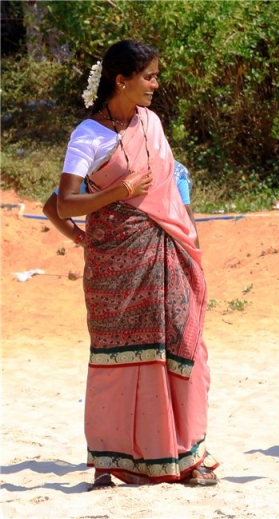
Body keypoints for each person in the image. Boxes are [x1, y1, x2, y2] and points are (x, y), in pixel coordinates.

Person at [56, 40, 217, 490]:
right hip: (115, 266)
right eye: (149, 76)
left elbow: (169, 192)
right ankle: (112, 458)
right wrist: (116, 194)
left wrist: (192, 242)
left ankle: (188, 456)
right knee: (119, 360)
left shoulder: (151, 123)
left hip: (168, 252)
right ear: (121, 80)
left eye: (156, 75)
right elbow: (65, 202)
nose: (156, 85)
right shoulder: (88, 135)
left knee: (184, 347)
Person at [43, 160, 199, 248]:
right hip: (158, 269)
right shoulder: (172, 170)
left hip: (106, 267)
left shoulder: (98, 173)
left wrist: (82, 240)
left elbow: (52, 208)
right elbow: (188, 225)